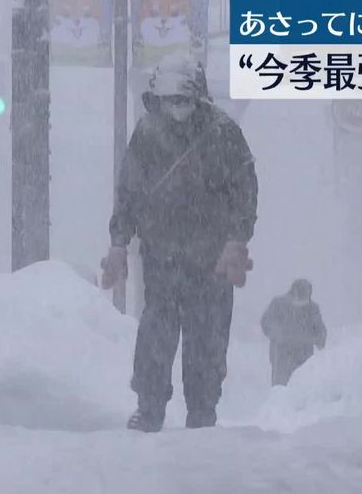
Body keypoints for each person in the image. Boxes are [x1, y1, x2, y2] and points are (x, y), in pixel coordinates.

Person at [99, 52, 258, 432]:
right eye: (170, 100)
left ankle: (202, 410)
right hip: (162, 255)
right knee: (157, 330)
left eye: (184, 99)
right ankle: (150, 406)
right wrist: (119, 242)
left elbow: (245, 191)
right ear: (158, 99)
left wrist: (237, 240)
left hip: (212, 258)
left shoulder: (224, 134)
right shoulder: (147, 134)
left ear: (199, 97)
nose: (177, 108)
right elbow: (129, 191)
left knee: (207, 337)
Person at [261, 279, 327, 386]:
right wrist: (276, 334)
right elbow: (265, 322)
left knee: (302, 388)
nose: (301, 304)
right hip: (281, 355)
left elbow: (320, 329)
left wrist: (320, 339)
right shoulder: (278, 304)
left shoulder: (312, 309)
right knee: (280, 388)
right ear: (293, 293)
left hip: (304, 357)